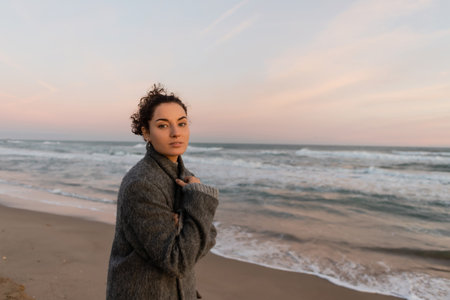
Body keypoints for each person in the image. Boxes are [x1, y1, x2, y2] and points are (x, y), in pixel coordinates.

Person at [106, 84, 218, 299]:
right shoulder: (141, 184)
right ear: (146, 132)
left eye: (182, 123)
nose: (176, 133)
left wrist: (188, 223)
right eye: (163, 125)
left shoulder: (186, 177)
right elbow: (178, 261)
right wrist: (196, 211)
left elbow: (209, 236)